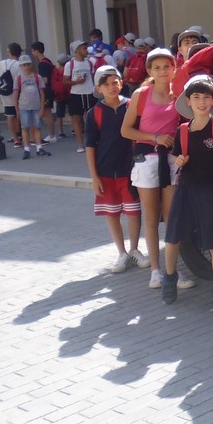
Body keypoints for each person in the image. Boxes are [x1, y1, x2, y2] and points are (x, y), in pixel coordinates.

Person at [160, 75, 213, 308]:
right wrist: (179, 160)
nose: (201, 102)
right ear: (188, 101)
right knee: (172, 237)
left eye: (206, 97)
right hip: (185, 189)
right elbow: (177, 157)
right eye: (196, 97)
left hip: (210, 193)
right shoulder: (182, 131)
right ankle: (169, 279)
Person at [120, 47, 184, 289]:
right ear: (149, 70)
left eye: (167, 66)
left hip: (171, 160)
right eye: (157, 67)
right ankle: (155, 271)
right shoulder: (141, 94)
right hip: (147, 159)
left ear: (174, 68)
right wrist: (154, 137)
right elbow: (126, 130)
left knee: (171, 216)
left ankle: (171, 270)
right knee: (151, 217)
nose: (163, 71)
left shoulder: (179, 94)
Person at [84, 65, 147, 273]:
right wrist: (94, 177)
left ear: (121, 83)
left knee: (133, 211)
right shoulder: (94, 113)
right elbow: (90, 146)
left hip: (130, 170)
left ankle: (134, 249)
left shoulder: (131, 106)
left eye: (115, 82)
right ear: (99, 88)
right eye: (106, 84)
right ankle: (121, 252)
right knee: (112, 213)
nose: (112, 87)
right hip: (105, 172)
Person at [12, 55, 50, 158]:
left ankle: (39, 147)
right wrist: (16, 109)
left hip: (36, 106)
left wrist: (42, 108)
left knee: (37, 126)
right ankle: (26, 149)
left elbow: (42, 94)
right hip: (24, 106)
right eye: (24, 65)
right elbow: (15, 94)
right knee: (25, 128)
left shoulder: (37, 77)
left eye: (28, 64)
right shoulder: (18, 78)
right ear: (21, 66)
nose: (27, 67)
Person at [63, 42, 98, 151]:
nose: (86, 50)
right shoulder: (70, 64)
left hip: (89, 93)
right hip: (76, 94)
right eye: (84, 48)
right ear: (77, 50)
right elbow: (65, 81)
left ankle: (92, 142)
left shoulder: (90, 63)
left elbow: (93, 77)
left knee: (92, 119)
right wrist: (76, 82)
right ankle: (80, 144)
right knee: (77, 119)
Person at [0, 42, 23, 148]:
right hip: (17, 91)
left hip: (6, 92)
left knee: (10, 116)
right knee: (18, 113)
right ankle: (20, 134)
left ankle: (15, 137)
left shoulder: (3, 63)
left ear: (9, 53)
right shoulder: (19, 65)